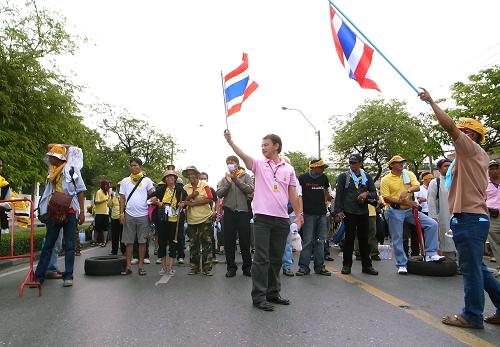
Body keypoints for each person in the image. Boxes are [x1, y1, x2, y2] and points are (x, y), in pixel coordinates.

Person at [419, 89, 500, 328]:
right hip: (472, 219)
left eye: (467, 131)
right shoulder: (469, 157)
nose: (461, 133)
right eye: (462, 130)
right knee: (478, 268)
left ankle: (472, 315)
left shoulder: (470, 149)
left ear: (475, 137)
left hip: (470, 219)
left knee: (472, 270)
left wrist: (431, 102)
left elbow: (449, 127)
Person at [224, 130, 303, 312]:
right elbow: (243, 155)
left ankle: (273, 292)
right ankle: (259, 297)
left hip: (282, 218)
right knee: (261, 258)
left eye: (266, 144)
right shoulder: (259, 165)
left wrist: (299, 215)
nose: (263, 148)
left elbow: (293, 193)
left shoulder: (288, 169)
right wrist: (231, 142)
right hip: (262, 218)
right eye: (262, 145)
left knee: (276, 258)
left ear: (276, 146)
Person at [380, 155, 444, 275]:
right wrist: (403, 201)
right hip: (394, 210)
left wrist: (407, 191)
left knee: (432, 224)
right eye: (398, 162)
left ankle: (431, 253)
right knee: (398, 237)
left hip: (409, 210)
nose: (401, 164)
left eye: (402, 162)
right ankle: (401, 264)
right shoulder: (385, 179)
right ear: (391, 165)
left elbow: (416, 186)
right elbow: (386, 198)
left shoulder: (408, 174)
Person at [35, 144, 86, 287]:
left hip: (69, 212)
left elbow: (81, 191)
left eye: (52, 156)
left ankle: (68, 276)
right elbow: (50, 145)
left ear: (59, 158)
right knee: (48, 244)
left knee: (69, 245)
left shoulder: (71, 170)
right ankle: (39, 277)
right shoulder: (52, 172)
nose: (50, 159)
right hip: (54, 212)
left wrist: (82, 212)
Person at [334, 154, 378, 276]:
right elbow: (339, 195)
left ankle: (367, 266)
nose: (352, 165)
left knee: (364, 239)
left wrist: (366, 194)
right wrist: (338, 211)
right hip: (349, 212)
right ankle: (346, 265)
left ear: (360, 163)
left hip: (363, 212)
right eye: (351, 163)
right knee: (349, 239)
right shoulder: (344, 177)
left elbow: (374, 193)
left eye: (355, 163)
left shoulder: (367, 177)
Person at [216, 155, 255, 278]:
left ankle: (247, 267)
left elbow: (250, 189)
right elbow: (219, 193)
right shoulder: (224, 178)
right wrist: (228, 183)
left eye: (232, 163)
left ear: (237, 164)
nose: (230, 165)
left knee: (245, 241)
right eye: (228, 163)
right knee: (229, 242)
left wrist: (236, 180)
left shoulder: (246, 176)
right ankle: (231, 267)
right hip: (229, 213)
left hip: (243, 212)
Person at [119, 158, 155, 276]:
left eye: (135, 165)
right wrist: (121, 213)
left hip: (143, 214)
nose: (133, 167)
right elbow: (122, 198)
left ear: (140, 166)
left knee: (142, 242)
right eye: (131, 165)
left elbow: (153, 194)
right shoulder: (125, 181)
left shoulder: (147, 180)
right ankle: (128, 266)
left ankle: (140, 266)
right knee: (128, 242)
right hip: (129, 214)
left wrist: (153, 201)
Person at [296, 158, 332, 276]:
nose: (322, 169)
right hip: (308, 214)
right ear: (313, 167)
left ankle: (319, 267)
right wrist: (299, 212)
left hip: (321, 213)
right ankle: (303, 267)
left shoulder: (324, 178)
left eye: (323, 167)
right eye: (320, 167)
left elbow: (326, 192)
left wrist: (326, 203)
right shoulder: (302, 178)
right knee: (307, 241)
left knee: (321, 241)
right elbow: (298, 195)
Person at [150, 170, 187, 276]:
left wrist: (182, 204)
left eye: (171, 177)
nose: (169, 178)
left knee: (173, 243)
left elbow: (186, 202)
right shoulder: (160, 190)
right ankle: (163, 267)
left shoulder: (181, 190)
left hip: (175, 221)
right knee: (161, 242)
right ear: (165, 179)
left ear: (175, 178)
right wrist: (157, 202)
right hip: (162, 220)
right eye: (167, 177)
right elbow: (149, 199)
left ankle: (170, 267)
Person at [182, 166, 215, 275]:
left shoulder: (204, 185)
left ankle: (207, 269)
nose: (191, 176)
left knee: (207, 244)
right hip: (191, 219)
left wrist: (193, 203)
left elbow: (210, 198)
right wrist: (190, 197)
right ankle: (194, 268)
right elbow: (182, 201)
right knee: (193, 244)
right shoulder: (185, 188)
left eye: (193, 173)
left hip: (205, 218)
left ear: (197, 174)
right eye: (189, 174)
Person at [427, 159, 456, 258]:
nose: (449, 168)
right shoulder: (435, 183)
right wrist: (433, 220)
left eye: (450, 165)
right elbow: (431, 202)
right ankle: (450, 263)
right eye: (446, 166)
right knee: (446, 240)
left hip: (458, 216)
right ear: (439, 169)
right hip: (443, 217)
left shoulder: (457, 181)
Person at [486, 160, 500, 272]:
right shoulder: (485, 183)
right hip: (493, 215)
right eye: (491, 168)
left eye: (496, 167)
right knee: (495, 242)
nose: (494, 170)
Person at [109, 181, 125, 255]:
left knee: (122, 235)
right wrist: (111, 197)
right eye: (118, 186)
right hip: (114, 218)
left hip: (122, 218)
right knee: (114, 235)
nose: (119, 188)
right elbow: (108, 205)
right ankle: (114, 251)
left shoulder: (125, 195)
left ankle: (123, 250)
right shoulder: (114, 196)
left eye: (121, 186)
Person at [94, 180, 110, 247]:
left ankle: (104, 241)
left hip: (106, 212)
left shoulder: (106, 192)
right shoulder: (99, 192)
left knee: (105, 228)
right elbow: (96, 202)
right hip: (99, 213)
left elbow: (108, 203)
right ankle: (94, 241)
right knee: (97, 228)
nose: (107, 186)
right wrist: (104, 200)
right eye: (106, 185)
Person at [0, 158, 12, 239]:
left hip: (2, 221)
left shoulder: (5, 184)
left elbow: (9, 203)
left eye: (0, 166)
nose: (0, 167)